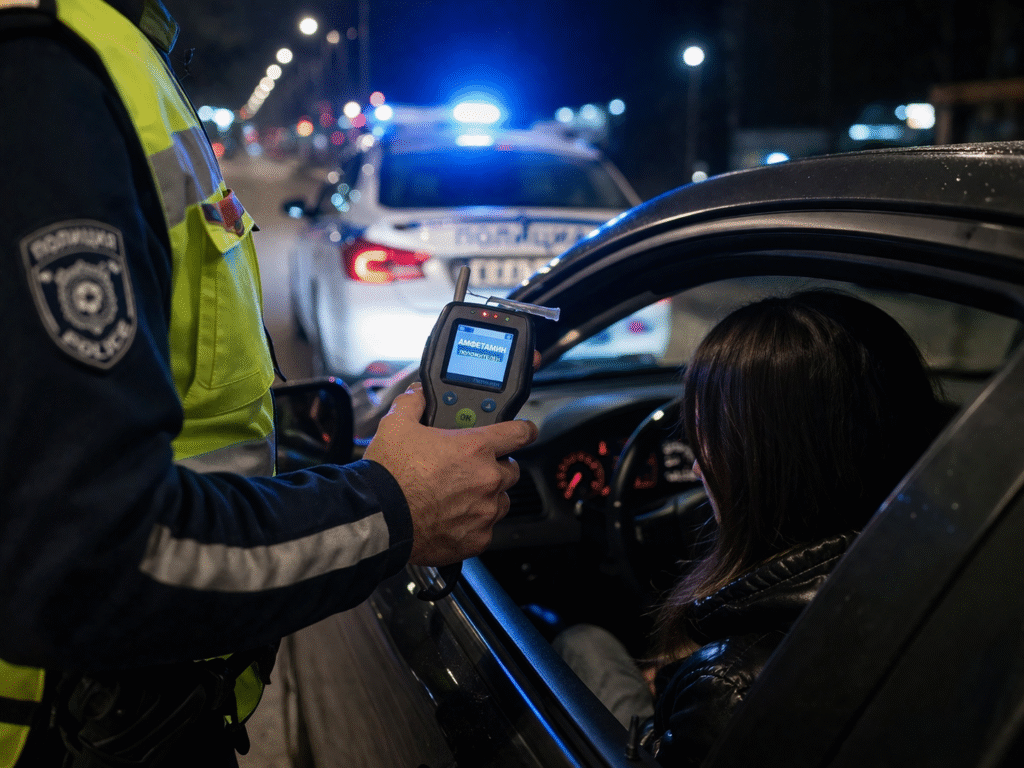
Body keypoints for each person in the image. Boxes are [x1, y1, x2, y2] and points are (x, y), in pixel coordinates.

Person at [0, 1, 538, 766]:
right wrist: (390, 506)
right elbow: (95, 558)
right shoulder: (44, 71)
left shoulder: (109, 50)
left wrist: (352, 471)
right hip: (66, 733)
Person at [556, 290, 945, 766]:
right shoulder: (948, 564)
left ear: (766, 464)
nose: (697, 469)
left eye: (709, 438)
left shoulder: (727, 686)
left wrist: (690, 689)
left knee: (582, 642)